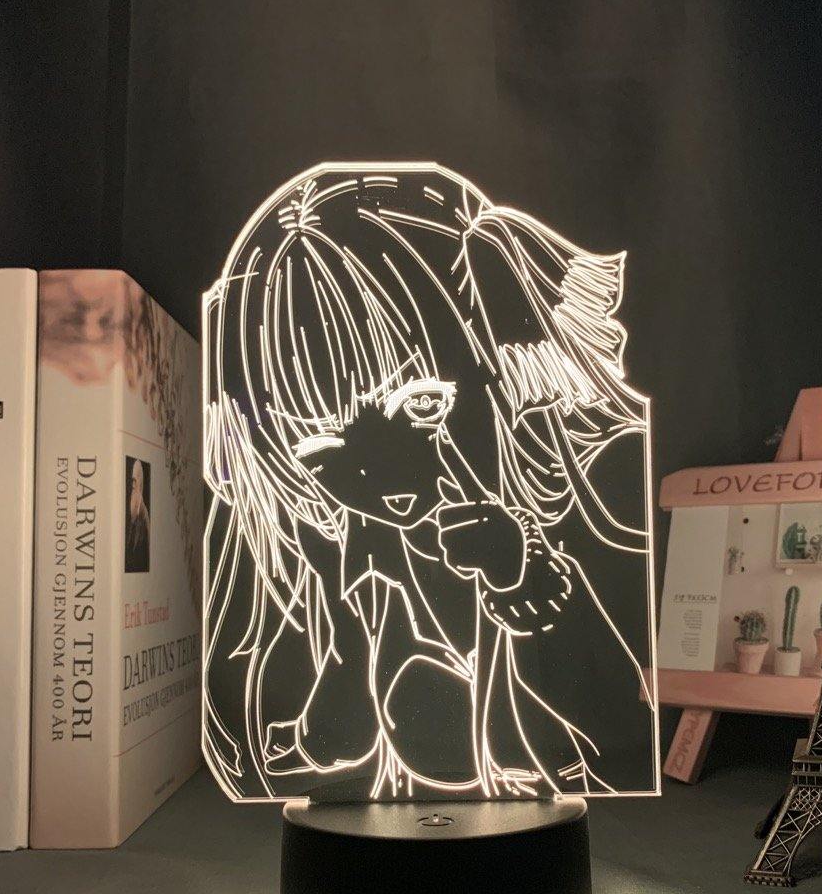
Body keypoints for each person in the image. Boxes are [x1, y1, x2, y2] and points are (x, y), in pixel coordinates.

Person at [203, 164, 657, 801]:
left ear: (495, 353)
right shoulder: (329, 536)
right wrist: (310, 737)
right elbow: (322, 699)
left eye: (420, 405)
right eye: (321, 448)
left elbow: (631, 746)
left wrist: (526, 584)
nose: (384, 480)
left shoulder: (604, 481)